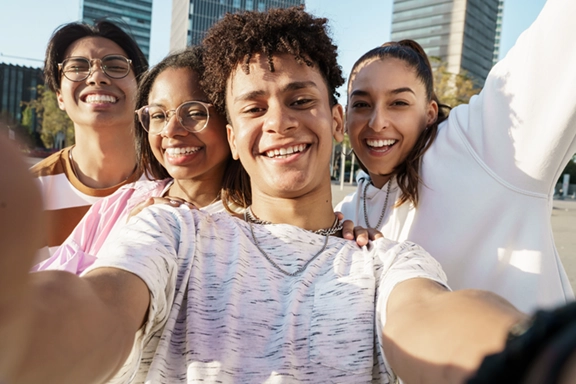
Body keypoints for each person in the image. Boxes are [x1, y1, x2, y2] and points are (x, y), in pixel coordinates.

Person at [0, 7, 527, 384]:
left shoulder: (384, 261)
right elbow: (102, 303)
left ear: (337, 119)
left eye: (300, 99)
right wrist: (18, 331)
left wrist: (538, 354)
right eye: (253, 108)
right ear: (231, 136)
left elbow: (435, 321)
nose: (279, 122)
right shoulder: (169, 230)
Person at [336, 0, 576, 314]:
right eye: (362, 104)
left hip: (536, 361)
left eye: (399, 103)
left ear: (430, 113)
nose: (377, 122)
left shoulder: (482, 144)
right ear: (344, 117)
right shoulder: (345, 213)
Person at [31, 46, 250, 274]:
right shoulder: (121, 204)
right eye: (158, 116)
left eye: (194, 113)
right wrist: (126, 238)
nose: (171, 130)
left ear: (230, 121)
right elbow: (51, 283)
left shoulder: (258, 223)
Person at [31, 20, 148, 258]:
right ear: (59, 96)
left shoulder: (173, 183)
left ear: (142, 90)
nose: (97, 77)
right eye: (77, 67)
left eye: (115, 67)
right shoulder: (29, 193)